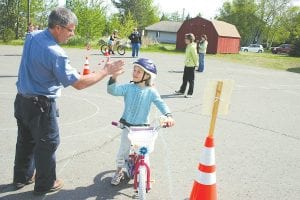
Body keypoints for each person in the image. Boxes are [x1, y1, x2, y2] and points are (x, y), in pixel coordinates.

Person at [13, 7, 124, 195]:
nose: (73, 34)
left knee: (26, 140)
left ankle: (22, 177)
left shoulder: (31, 36)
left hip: (22, 101)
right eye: (70, 30)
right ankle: (46, 184)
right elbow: (79, 83)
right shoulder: (55, 53)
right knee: (47, 143)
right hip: (41, 105)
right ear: (57, 27)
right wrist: (106, 71)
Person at [107, 58, 175, 185]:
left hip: (143, 128)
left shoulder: (151, 91)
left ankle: (145, 172)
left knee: (144, 152)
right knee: (123, 150)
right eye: (134, 70)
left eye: (139, 71)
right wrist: (114, 76)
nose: (135, 73)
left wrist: (169, 116)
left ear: (147, 76)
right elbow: (112, 90)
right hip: (127, 126)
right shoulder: (128, 87)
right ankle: (118, 171)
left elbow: (161, 104)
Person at [175, 33, 198, 98]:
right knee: (184, 79)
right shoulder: (188, 46)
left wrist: (196, 64)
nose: (185, 40)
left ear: (190, 39)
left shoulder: (192, 47)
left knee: (191, 80)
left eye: (186, 38)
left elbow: (195, 56)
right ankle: (182, 91)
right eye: (185, 38)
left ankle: (190, 93)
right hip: (187, 65)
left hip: (191, 66)